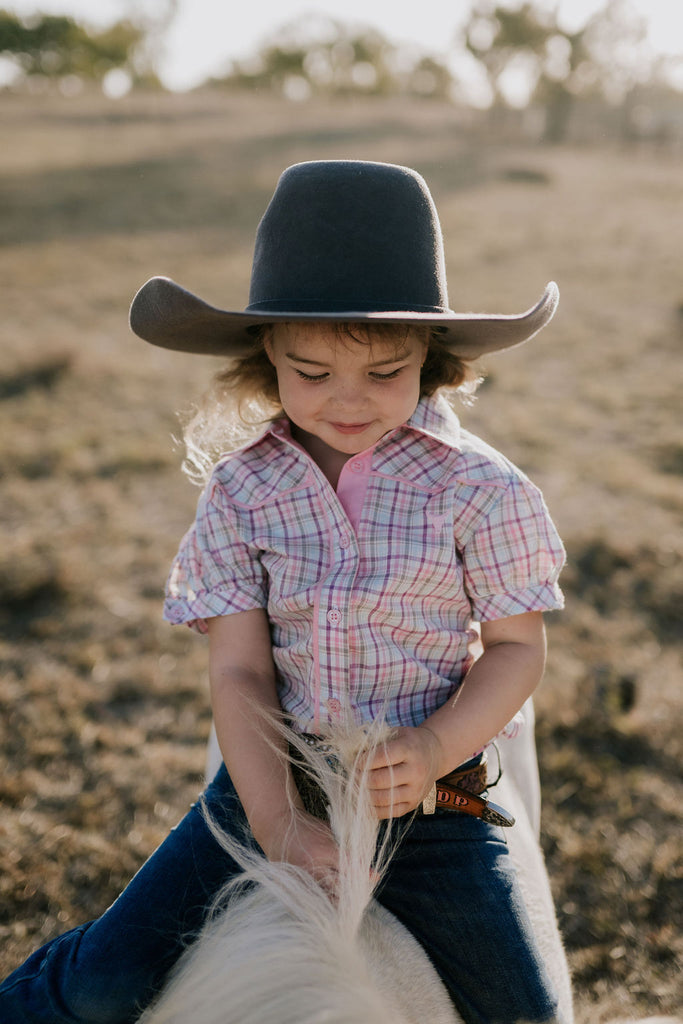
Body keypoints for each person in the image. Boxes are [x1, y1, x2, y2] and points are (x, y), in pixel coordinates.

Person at [0, 160, 566, 1024]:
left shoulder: (482, 490)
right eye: (311, 371)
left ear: (431, 359)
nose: (347, 400)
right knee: (104, 984)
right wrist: (276, 824)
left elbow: (518, 649)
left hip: (440, 795)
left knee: (525, 1013)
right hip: (276, 772)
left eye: (385, 372)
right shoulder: (241, 492)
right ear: (266, 353)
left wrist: (435, 743)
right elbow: (240, 676)